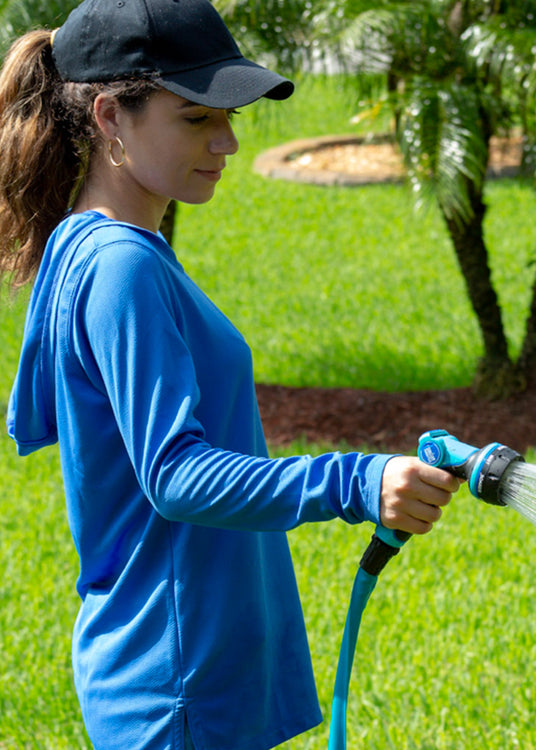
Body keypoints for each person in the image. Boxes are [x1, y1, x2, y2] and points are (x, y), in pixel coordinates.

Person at [0, 1, 460, 748]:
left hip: (182, 674)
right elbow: (174, 476)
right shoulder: (122, 266)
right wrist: (357, 482)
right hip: (178, 686)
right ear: (112, 117)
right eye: (196, 119)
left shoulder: (102, 248)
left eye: (229, 116)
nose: (229, 141)